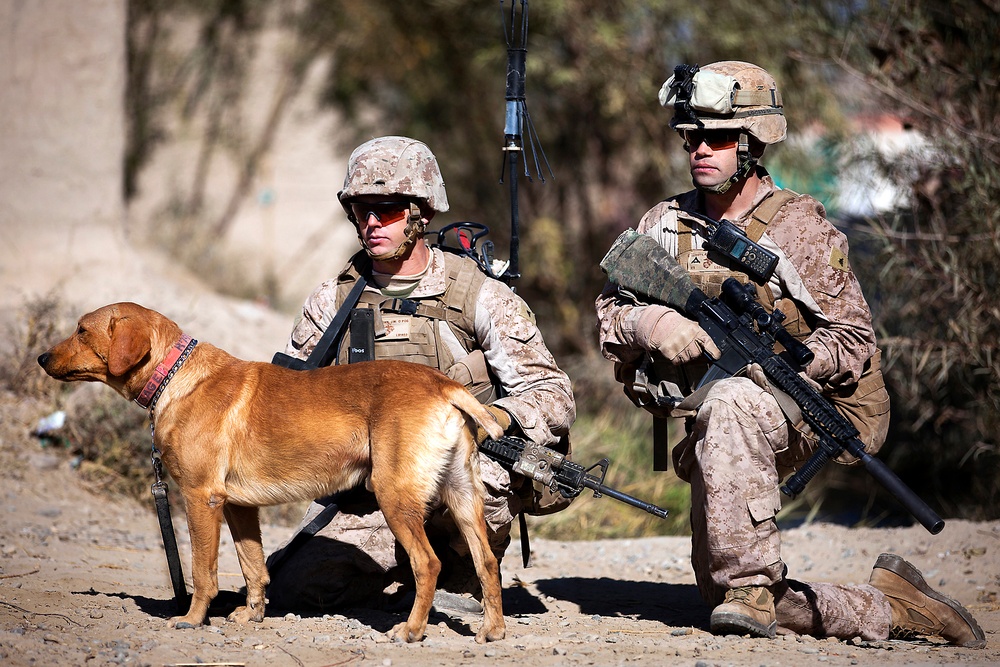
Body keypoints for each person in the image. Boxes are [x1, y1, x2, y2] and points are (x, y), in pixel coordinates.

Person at [595, 61, 985, 647]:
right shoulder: (666, 224)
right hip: (718, 424)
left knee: (730, 399)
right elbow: (609, 311)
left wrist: (791, 362)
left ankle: (750, 581)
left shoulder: (799, 228)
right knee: (719, 595)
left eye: (719, 137)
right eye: (690, 136)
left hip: (797, 407)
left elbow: (854, 339)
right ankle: (894, 609)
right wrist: (653, 322)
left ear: (752, 144)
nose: (701, 149)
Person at [266, 135, 576, 613]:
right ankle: (403, 575)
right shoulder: (331, 301)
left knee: (481, 477)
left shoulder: (478, 296)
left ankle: (459, 577)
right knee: (294, 589)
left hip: (460, 474)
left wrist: (489, 418)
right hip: (371, 486)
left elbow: (551, 393)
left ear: (421, 214)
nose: (371, 223)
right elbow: (284, 398)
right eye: (360, 210)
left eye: (387, 209)